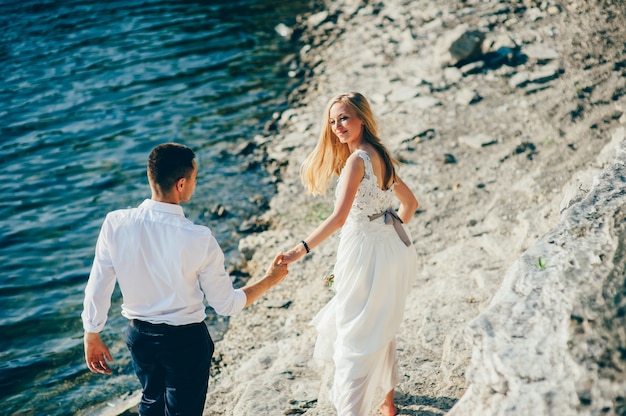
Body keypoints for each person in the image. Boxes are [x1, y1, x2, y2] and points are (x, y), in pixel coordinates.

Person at [82, 142, 288, 416]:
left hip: (140, 337)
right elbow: (226, 305)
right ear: (181, 184)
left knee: (150, 404)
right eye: (194, 178)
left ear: (150, 176)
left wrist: (92, 332)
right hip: (185, 342)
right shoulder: (198, 238)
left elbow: (99, 282)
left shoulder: (115, 223)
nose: (194, 184)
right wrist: (269, 279)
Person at [282, 92, 419, 416]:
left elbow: (339, 219)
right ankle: (387, 404)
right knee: (378, 323)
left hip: (365, 253)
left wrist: (299, 250)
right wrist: (386, 229)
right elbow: (409, 205)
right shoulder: (379, 154)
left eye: (344, 118)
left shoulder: (358, 160)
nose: (337, 126)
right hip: (390, 251)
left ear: (361, 118)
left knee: (354, 335)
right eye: (332, 121)